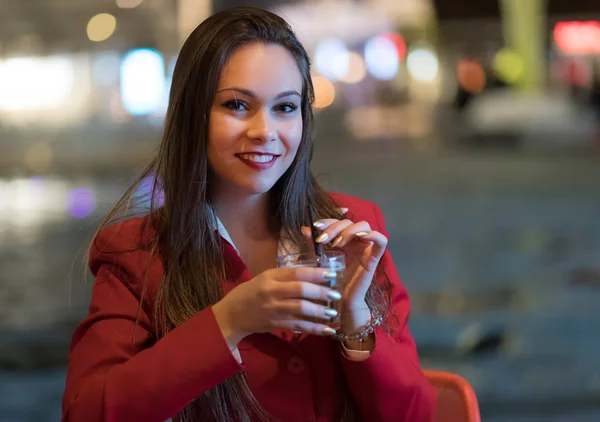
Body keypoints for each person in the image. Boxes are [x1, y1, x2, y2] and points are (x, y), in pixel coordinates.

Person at [62, 7, 435, 422]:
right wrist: (229, 320)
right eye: (238, 105)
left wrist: (356, 321)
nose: (265, 131)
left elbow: (416, 414)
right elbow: (86, 412)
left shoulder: (354, 232)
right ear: (193, 114)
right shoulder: (136, 252)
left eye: (285, 107)